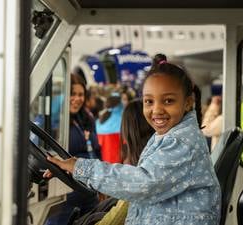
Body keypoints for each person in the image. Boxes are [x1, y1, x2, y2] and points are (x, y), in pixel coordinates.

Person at [45, 54, 221, 225]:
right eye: (149, 101)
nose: (157, 110)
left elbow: (142, 184)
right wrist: (78, 168)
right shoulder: (168, 136)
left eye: (168, 101)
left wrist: (81, 168)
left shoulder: (180, 143)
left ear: (188, 102)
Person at [45, 74, 101, 225]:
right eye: (72, 94)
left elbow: (96, 150)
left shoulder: (87, 118)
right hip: (64, 193)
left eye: (81, 94)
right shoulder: (52, 121)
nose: (77, 98)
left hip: (89, 192)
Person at [96, 93, 124, 163]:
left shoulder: (99, 121)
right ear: (120, 104)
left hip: (104, 163)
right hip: (120, 164)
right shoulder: (124, 121)